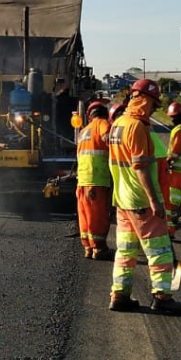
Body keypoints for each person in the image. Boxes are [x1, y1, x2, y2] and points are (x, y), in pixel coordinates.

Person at [107, 79, 181, 315]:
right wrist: (155, 201)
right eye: (153, 104)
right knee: (160, 250)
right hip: (141, 201)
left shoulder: (119, 124)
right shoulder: (136, 127)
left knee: (126, 251)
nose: (154, 109)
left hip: (122, 200)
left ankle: (119, 295)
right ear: (143, 100)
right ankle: (162, 297)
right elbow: (141, 167)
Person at [75, 101, 112, 260]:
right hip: (97, 178)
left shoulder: (83, 131)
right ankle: (99, 248)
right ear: (105, 114)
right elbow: (108, 138)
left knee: (85, 215)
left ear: (89, 115)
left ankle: (88, 248)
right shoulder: (102, 124)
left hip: (82, 181)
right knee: (98, 215)